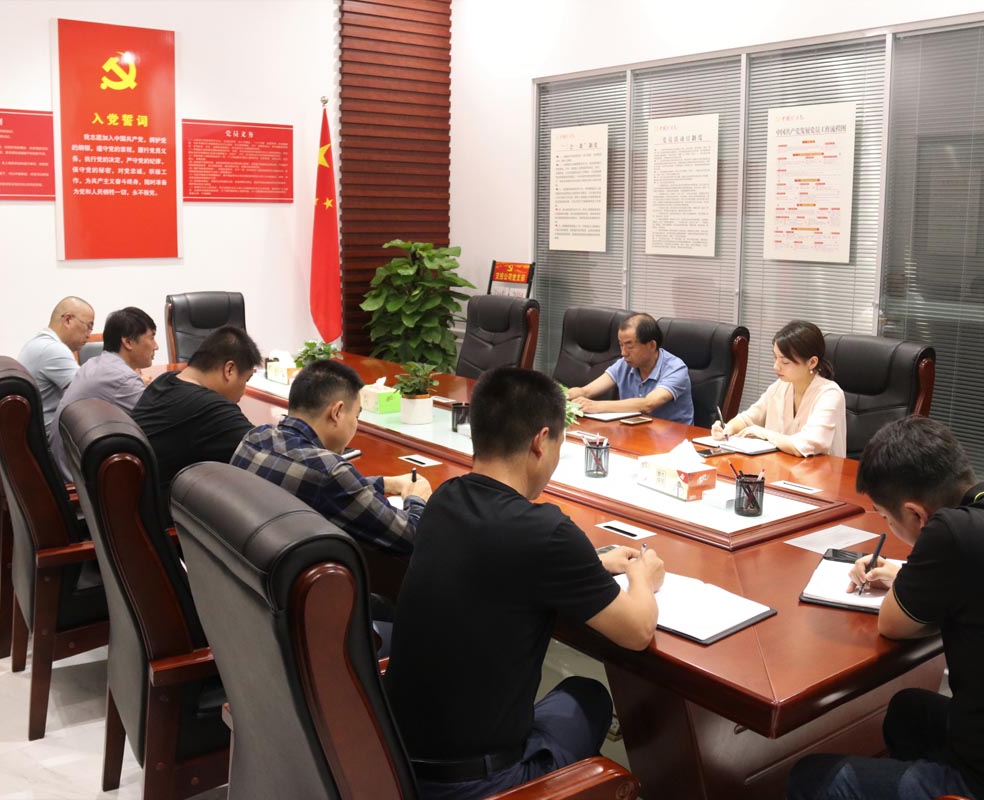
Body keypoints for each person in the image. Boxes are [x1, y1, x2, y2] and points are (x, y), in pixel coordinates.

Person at [385, 367, 665, 800]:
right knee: (588, 696)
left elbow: (501, 560)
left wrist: (592, 562)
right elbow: (638, 630)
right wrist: (641, 576)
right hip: (479, 784)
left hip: (393, 763)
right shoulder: (546, 531)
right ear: (541, 441)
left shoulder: (444, 499)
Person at [787, 416, 984, 800]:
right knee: (907, 712)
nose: (888, 526)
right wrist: (906, 574)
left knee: (811, 779)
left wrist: (911, 576)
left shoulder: (948, 532)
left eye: (886, 517)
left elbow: (893, 623)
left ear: (916, 515)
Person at [231, 358, 432, 554]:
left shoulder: (255, 437)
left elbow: (324, 486)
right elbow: (413, 535)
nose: (356, 424)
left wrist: (385, 483)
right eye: (356, 416)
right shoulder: (330, 472)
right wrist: (416, 497)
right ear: (336, 412)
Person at [132, 325, 260, 498]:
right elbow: (266, 458)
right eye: (246, 380)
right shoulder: (210, 408)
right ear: (229, 370)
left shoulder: (165, 380)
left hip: (136, 496)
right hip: (167, 508)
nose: (243, 391)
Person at [49, 307, 158, 479]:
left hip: (65, 468)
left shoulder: (94, 363)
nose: (156, 346)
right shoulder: (122, 379)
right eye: (151, 337)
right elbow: (160, 421)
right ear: (128, 342)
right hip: (77, 481)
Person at [711, 319, 845, 457]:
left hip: (820, 469)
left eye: (785, 362)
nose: (776, 366)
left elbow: (807, 444)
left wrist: (764, 433)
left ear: (812, 362)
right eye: (775, 358)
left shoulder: (830, 394)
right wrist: (728, 428)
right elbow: (748, 418)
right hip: (783, 466)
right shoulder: (781, 386)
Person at [565, 312, 694, 423]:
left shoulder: (676, 369)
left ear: (651, 345)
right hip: (635, 432)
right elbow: (586, 392)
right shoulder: (624, 364)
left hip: (674, 438)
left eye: (630, 346)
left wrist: (596, 406)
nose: (623, 353)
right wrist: (561, 397)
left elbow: (648, 404)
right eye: (621, 345)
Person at [18, 296, 94, 432]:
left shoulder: (38, 343)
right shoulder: (53, 349)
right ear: (68, 319)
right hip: (54, 438)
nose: (89, 335)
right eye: (88, 326)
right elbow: (91, 392)